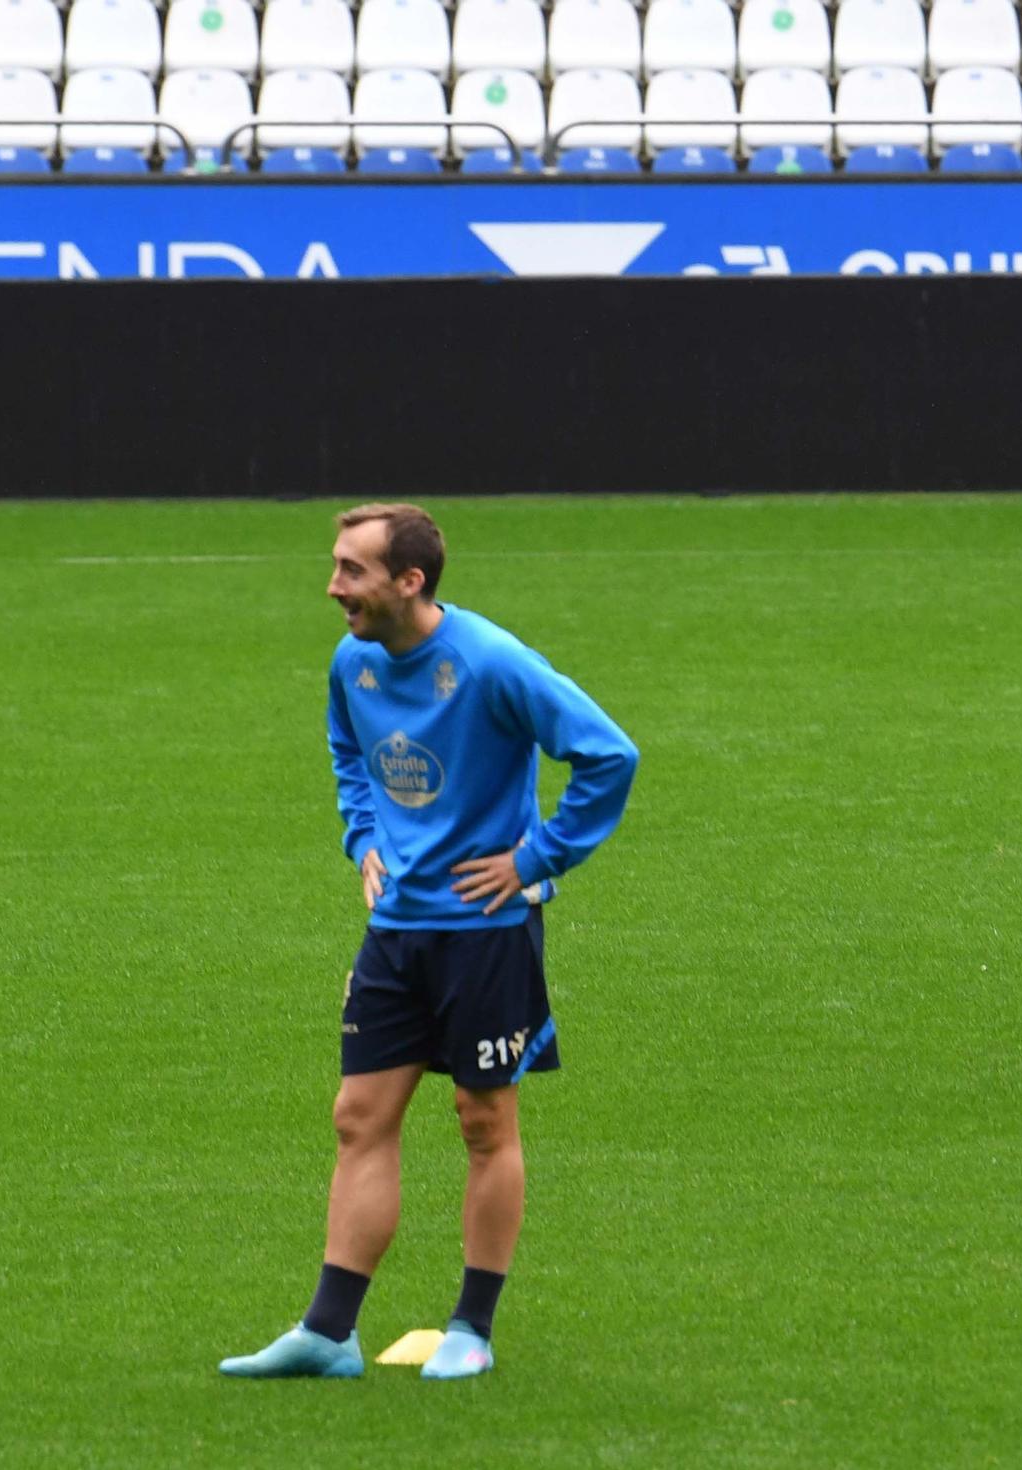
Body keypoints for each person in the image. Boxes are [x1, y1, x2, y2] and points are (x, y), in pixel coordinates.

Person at [220, 503, 639, 1381]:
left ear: (409, 582)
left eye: (352, 571)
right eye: (335, 565)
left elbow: (610, 755)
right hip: (396, 929)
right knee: (358, 1117)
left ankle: (471, 1329)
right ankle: (328, 1334)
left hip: (486, 933)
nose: (333, 586)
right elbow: (349, 752)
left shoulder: (491, 663)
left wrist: (536, 858)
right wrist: (363, 838)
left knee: (483, 1121)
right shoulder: (353, 662)